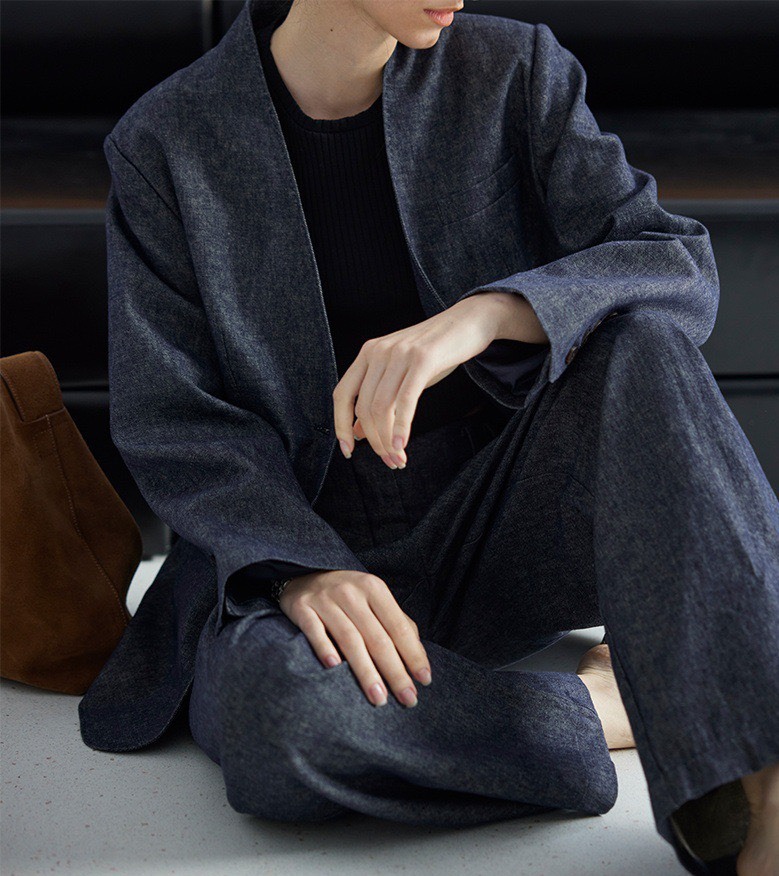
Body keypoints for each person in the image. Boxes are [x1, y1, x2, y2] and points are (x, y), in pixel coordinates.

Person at [94, 1, 779, 873]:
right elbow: (174, 420)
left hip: (507, 518)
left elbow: (670, 261)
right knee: (281, 716)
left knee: (642, 341)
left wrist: (488, 312)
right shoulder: (166, 139)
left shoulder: (512, 69)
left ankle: (765, 785)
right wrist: (298, 566)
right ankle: (607, 709)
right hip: (312, 542)